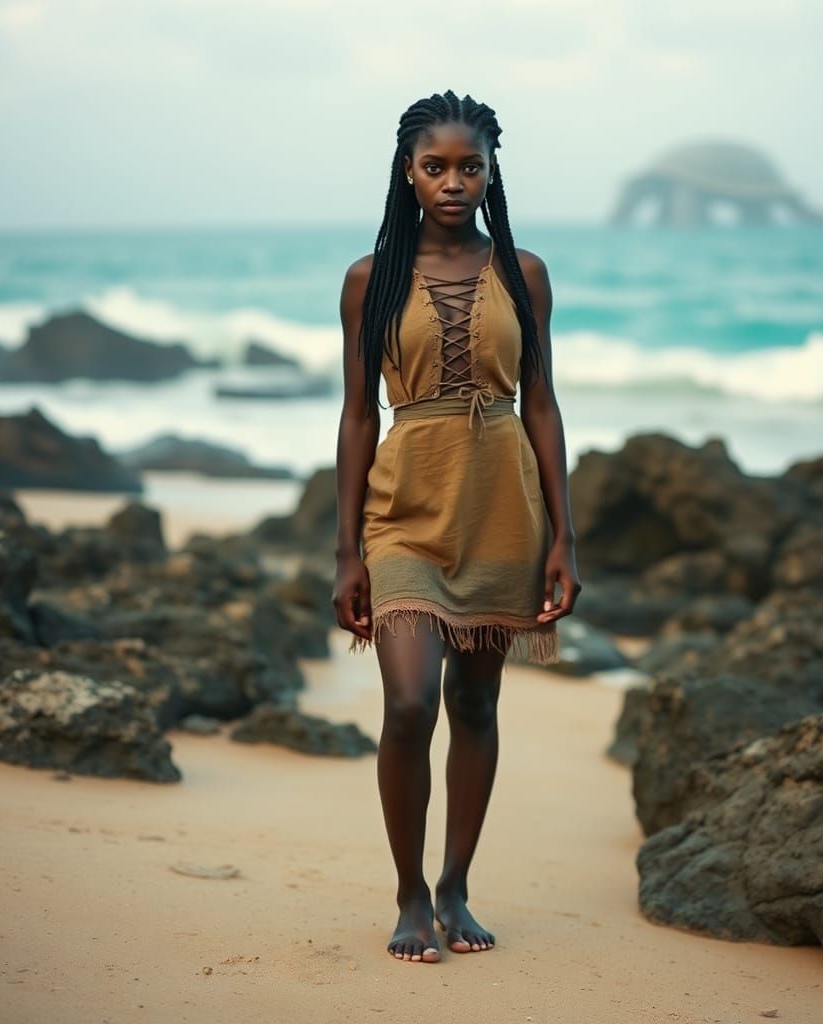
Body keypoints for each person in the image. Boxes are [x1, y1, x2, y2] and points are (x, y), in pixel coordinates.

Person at [333, 90, 581, 964]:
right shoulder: (370, 279)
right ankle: (407, 896)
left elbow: (543, 403)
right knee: (408, 704)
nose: (452, 181)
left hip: (503, 506)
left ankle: (455, 890)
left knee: (474, 702)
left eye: (468, 166)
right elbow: (359, 415)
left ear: (489, 172)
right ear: (408, 171)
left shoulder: (525, 272)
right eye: (434, 166)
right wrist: (346, 554)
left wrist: (564, 535)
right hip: (403, 510)